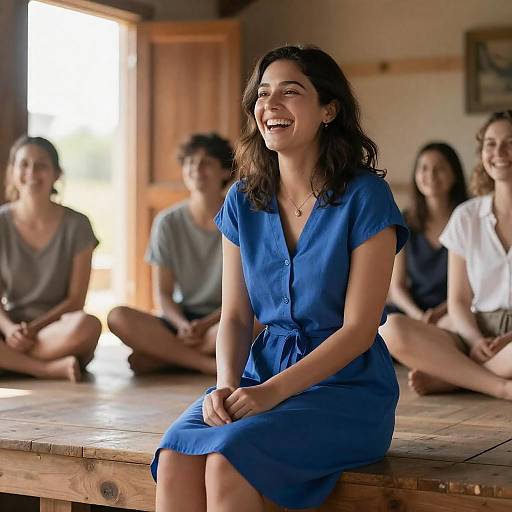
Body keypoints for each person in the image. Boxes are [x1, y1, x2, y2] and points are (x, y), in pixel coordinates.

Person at [152, 45, 408, 512]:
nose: (271, 104)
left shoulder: (366, 197)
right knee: (175, 458)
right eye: (263, 94)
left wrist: (272, 393)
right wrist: (226, 386)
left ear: (329, 109)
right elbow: (233, 315)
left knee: (229, 460)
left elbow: (358, 330)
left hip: (346, 388)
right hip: (258, 373)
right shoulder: (242, 199)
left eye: (291, 92)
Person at [380, 110, 512, 398]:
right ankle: (500, 385)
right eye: (491, 143)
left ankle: (457, 376)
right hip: (474, 327)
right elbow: (459, 301)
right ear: (482, 153)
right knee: (390, 328)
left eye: (509, 142)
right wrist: (476, 341)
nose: (499, 151)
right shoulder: (467, 215)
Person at [108, 133, 233, 376]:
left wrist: (205, 324)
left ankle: (167, 357)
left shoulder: (240, 217)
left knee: (260, 322)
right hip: (179, 321)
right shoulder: (167, 222)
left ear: (225, 172)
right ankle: (206, 364)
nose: (196, 169)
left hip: (224, 319)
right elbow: (163, 294)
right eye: (189, 162)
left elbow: (248, 293)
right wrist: (183, 325)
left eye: (206, 162)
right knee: (117, 317)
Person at [0, 136, 101, 382]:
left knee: (88, 325)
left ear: (57, 174)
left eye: (41, 166)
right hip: (9, 328)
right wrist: (10, 329)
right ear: (12, 171)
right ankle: (45, 368)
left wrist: (32, 331)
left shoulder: (78, 225)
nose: (31, 172)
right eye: (23, 164)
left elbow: (76, 300)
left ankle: (11, 363)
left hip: (56, 330)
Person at [386, 142, 468, 328]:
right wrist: (420, 317)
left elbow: (475, 285)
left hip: (459, 309)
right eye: (423, 168)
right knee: (388, 326)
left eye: (439, 168)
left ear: (455, 174)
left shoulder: (468, 219)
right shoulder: (403, 221)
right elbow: (397, 287)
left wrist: (439, 314)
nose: (430, 175)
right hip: (414, 311)